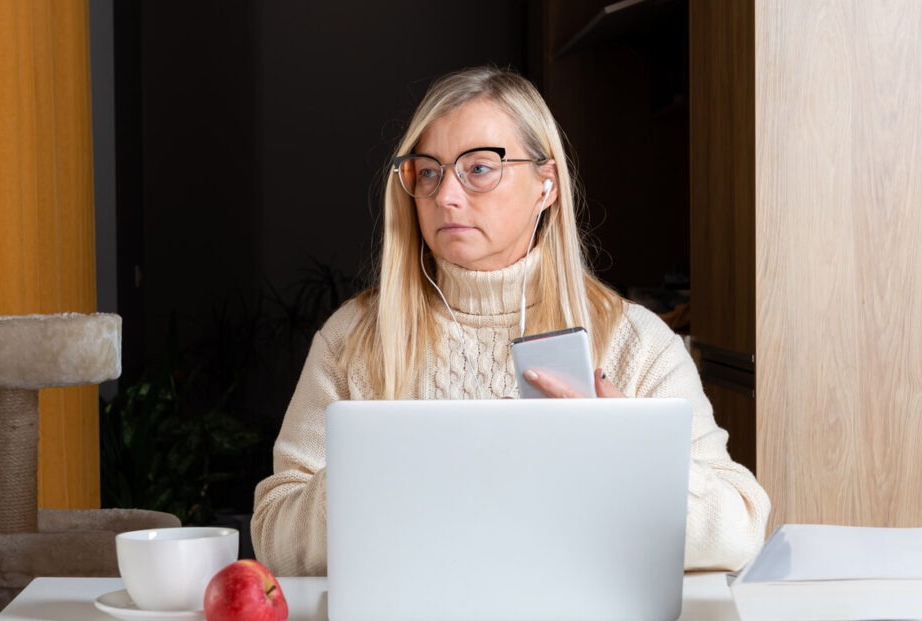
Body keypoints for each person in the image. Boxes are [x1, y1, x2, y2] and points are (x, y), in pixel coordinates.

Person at [251, 66, 770, 577]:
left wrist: (624, 456)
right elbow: (273, 537)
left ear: (546, 186)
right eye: (428, 172)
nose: (445, 196)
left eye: (479, 168)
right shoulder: (353, 338)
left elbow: (740, 533)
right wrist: (385, 469)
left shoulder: (637, 343)